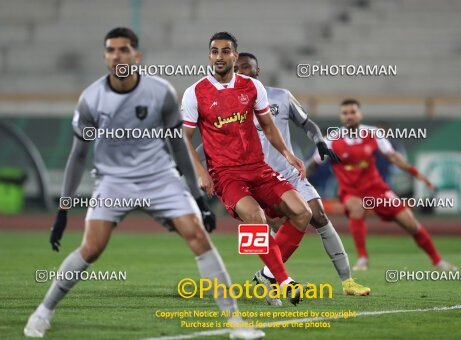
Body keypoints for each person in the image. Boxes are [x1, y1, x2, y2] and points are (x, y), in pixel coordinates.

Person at [24, 27, 264, 340]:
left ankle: (235, 324)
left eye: (124, 50)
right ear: (105, 56)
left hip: (160, 178)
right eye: (111, 50)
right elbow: (78, 156)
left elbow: (179, 145)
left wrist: (197, 197)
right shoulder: (91, 99)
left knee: (199, 238)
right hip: (114, 182)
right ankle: (43, 312)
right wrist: (62, 210)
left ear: (136, 56)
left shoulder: (160, 91)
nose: (117, 55)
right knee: (92, 248)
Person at [182, 32, 312, 306]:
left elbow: (267, 126)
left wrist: (287, 153)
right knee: (255, 217)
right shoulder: (195, 92)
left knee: (303, 212)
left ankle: (266, 277)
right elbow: (183, 139)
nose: (219, 56)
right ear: (210, 56)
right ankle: (284, 281)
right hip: (225, 174)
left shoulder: (252, 87)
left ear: (234, 56)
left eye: (225, 51)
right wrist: (202, 172)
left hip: (258, 167)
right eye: (214, 51)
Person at [233, 52, 370, 297]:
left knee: (318, 216)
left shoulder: (281, 96)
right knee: (268, 230)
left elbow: (307, 123)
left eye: (247, 67)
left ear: (257, 71)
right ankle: (270, 278)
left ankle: (347, 282)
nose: (242, 72)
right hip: (256, 179)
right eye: (238, 68)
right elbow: (212, 143)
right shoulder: (228, 105)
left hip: (289, 172)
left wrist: (319, 141)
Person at [308, 99, 457, 272]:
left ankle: (438, 261)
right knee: (356, 207)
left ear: (360, 114)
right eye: (345, 113)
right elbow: (313, 164)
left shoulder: (374, 134)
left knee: (410, 223)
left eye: (352, 112)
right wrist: (297, 177)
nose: (349, 116)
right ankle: (362, 259)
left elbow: (393, 157)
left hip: (377, 189)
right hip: (351, 191)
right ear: (341, 116)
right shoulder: (331, 140)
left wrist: (418, 174)